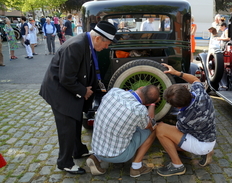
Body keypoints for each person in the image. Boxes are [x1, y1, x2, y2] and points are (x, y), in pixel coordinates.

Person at [39, 21, 118, 174]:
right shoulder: (76, 45)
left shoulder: (86, 43)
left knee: (75, 121)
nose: (107, 47)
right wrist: (83, 91)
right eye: (107, 43)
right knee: (66, 127)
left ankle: (78, 150)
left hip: (70, 88)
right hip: (59, 91)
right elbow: (66, 78)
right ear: (97, 39)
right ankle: (65, 162)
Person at [155, 63, 216, 177]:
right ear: (185, 88)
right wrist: (177, 73)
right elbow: (195, 79)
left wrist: (164, 127)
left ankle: (177, 166)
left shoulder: (184, 118)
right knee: (171, 137)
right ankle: (207, 151)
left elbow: (179, 131)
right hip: (210, 137)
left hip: (201, 144)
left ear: (177, 107)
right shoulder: (200, 93)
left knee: (160, 130)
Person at [86, 85, 160, 177]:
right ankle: (136, 167)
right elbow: (151, 125)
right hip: (119, 156)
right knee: (152, 131)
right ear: (148, 104)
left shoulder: (114, 92)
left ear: (141, 87)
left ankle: (96, 157)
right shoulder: (140, 111)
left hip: (96, 148)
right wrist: (153, 104)